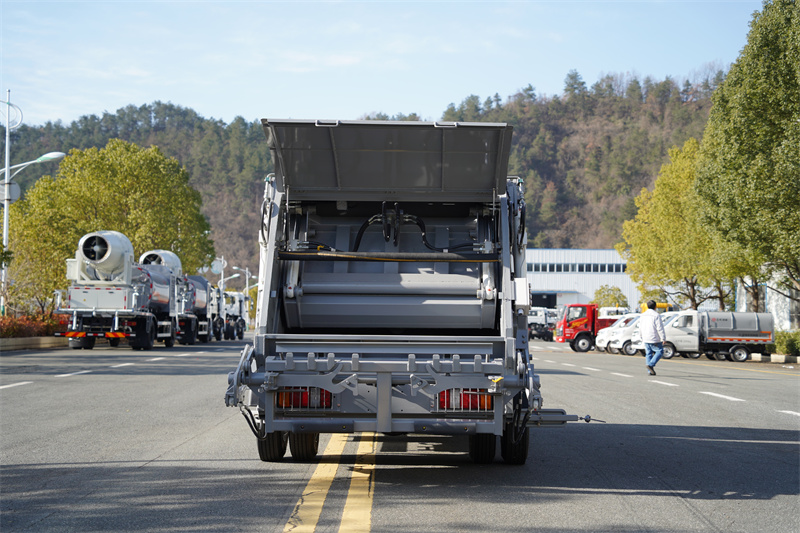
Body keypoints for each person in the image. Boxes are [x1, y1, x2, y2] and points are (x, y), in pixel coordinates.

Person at [639, 300, 666, 375]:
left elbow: (640, 327)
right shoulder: (656, 315)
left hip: (645, 337)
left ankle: (649, 371)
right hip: (654, 337)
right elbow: (659, 328)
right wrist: (663, 338)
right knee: (660, 351)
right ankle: (650, 365)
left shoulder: (643, 315)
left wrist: (641, 336)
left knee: (648, 353)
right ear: (655, 306)